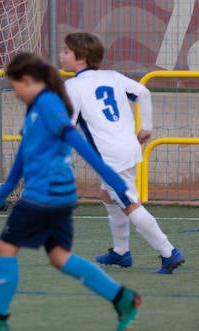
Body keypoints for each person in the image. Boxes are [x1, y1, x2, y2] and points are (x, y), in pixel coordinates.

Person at [0, 52, 142, 331]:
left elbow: (76, 141)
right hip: (57, 196)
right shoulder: (36, 108)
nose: (15, 92)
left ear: (29, 81)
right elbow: (24, 152)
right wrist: (5, 189)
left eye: (15, 86)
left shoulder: (48, 104)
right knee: (59, 256)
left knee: (6, 247)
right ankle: (122, 298)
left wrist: (115, 182)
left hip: (45, 194)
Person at [59, 32, 185, 274]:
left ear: (82, 58)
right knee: (108, 195)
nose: (61, 55)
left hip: (109, 157)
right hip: (128, 147)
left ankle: (168, 252)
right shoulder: (112, 76)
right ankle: (121, 252)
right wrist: (145, 126)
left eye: (66, 51)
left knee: (129, 204)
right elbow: (143, 93)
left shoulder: (72, 86)